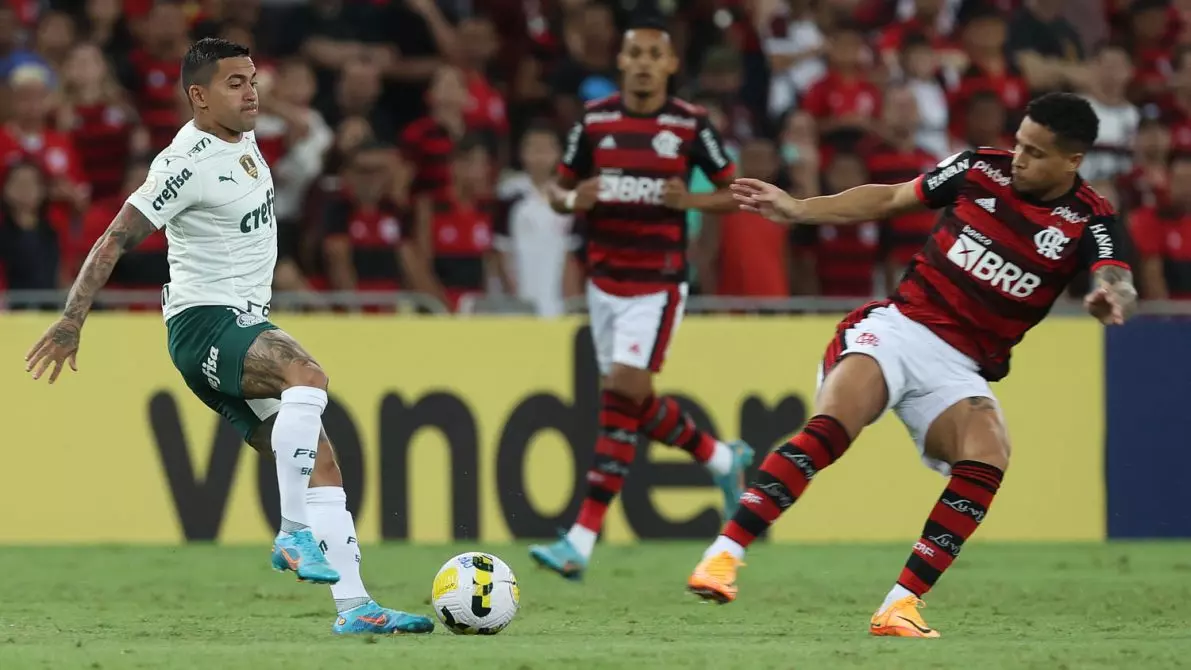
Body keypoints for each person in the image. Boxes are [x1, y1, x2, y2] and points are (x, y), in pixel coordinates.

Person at [686, 92, 1138, 638]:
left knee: (989, 456)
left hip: (960, 369)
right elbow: (892, 198)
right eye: (1020, 143)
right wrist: (800, 208)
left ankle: (900, 605)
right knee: (832, 428)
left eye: (1036, 153)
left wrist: (1111, 296)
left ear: (1072, 162)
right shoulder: (979, 168)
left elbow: (1117, 274)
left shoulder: (1090, 217)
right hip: (897, 330)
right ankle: (724, 554)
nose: (1019, 158)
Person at [22, 38, 433, 636]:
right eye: (235, 83)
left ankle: (356, 608)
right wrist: (71, 318)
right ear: (198, 96)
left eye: (252, 79)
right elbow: (114, 238)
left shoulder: (242, 141)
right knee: (308, 376)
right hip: (205, 323)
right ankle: (292, 534)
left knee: (322, 462)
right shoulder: (182, 164)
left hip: (243, 320)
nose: (251, 92)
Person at [527, 16, 754, 580]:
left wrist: (692, 203)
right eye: (637, 54)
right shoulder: (595, 121)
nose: (647, 62)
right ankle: (721, 459)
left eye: (657, 54)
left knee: (624, 390)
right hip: (604, 280)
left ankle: (584, 534)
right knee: (622, 408)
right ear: (622, 62)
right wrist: (570, 198)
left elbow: (737, 192)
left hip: (657, 282)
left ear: (672, 65)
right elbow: (556, 189)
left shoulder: (690, 124)